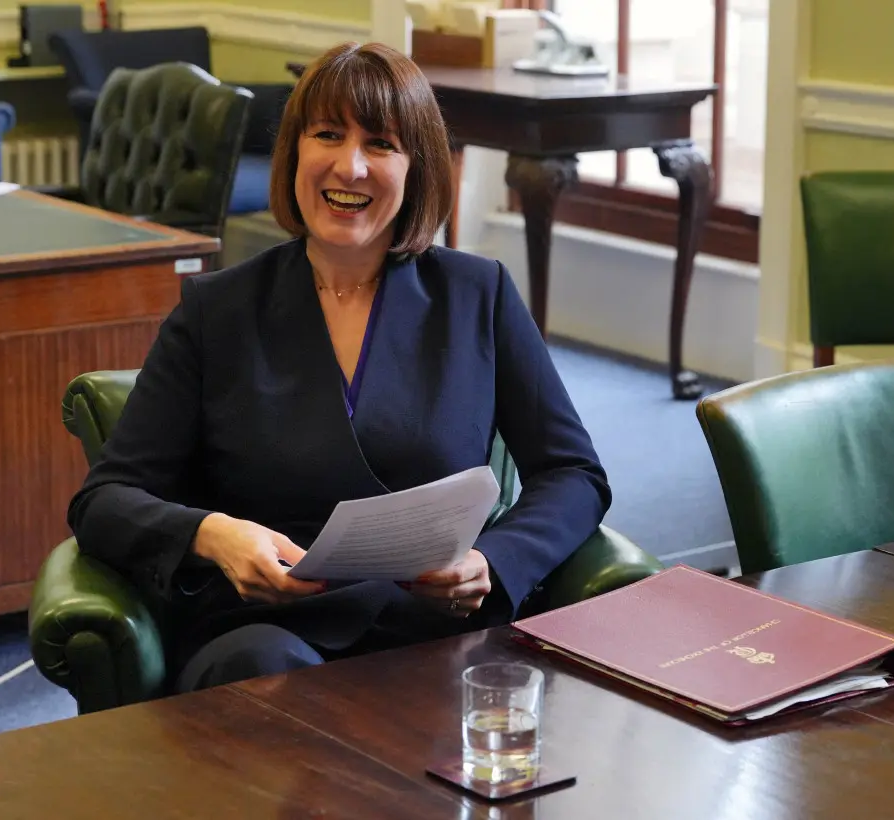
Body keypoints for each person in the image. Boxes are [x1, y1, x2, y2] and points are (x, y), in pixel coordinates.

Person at [67, 41, 611, 693]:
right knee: (269, 681)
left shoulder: (478, 295)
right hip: (268, 635)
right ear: (296, 149)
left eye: (380, 144)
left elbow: (573, 473)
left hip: (435, 631)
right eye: (328, 134)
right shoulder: (217, 310)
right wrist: (213, 535)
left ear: (416, 168)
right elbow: (104, 500)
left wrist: (493, 562)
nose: (349, 166)